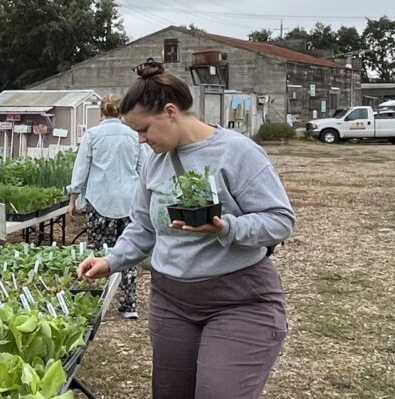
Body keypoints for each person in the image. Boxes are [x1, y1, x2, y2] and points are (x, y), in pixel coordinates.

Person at [74, 60, 295, 398]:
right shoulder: (155, 162)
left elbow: (280, 220)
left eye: (144, 129)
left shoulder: (237, 152)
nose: (142, 140)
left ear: (171, 112)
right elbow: (144, 226)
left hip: (238, 300)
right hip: (172, 301)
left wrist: (226, 227)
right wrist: (112, 260)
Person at [67, 93, 144, 320]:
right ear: (121, 111)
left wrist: (73, 198)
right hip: (128, 202)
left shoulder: (93, 135)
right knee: (129, 252)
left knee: (97, 250)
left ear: (101, 111)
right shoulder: (133, 136)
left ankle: (94, 301)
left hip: (100, 201)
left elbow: (81, 169)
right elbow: (143, 168)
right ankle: (129, 304)